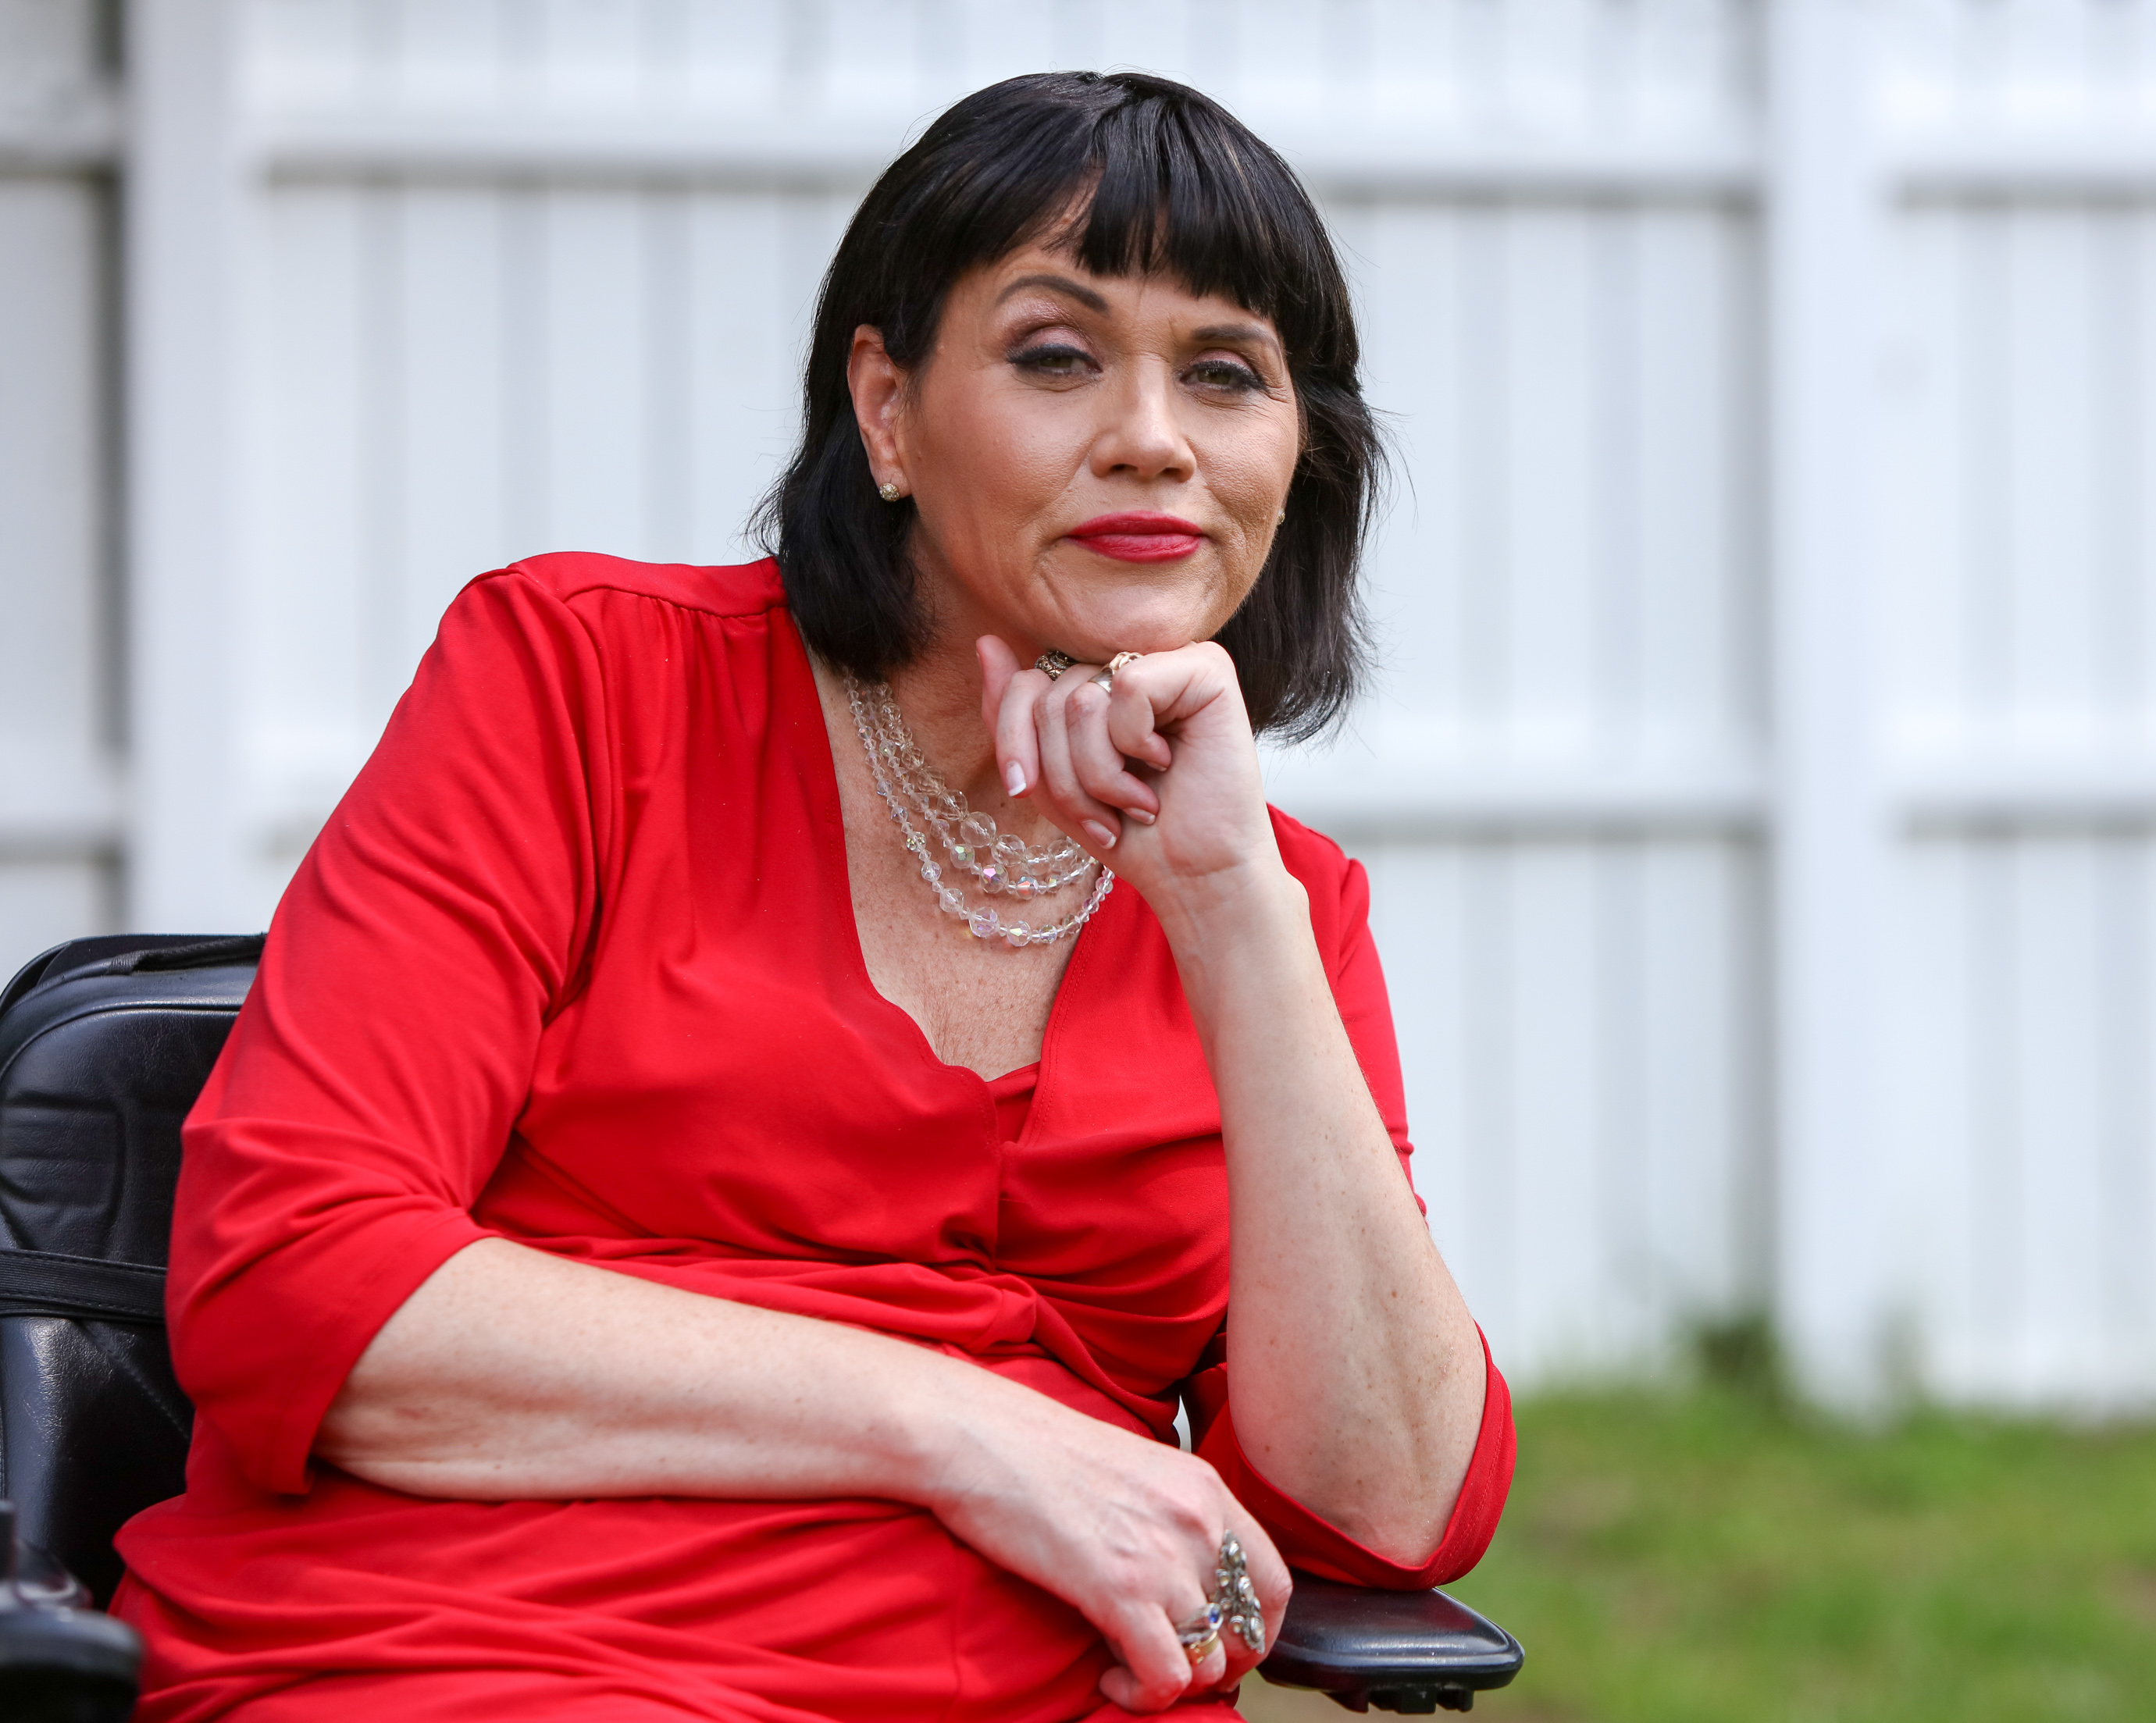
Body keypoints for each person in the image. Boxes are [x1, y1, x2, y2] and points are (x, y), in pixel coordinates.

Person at [110, 71, 1512, 1723]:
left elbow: (1392, 1504)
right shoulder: (578, 684)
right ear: (889, 410)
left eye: (1226, 374)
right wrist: (965, 1433)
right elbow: (293, 1278)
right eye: (1057, 354)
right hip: (490, 1659)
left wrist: (1226, 907)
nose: (1155, 436)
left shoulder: (1277, 906)